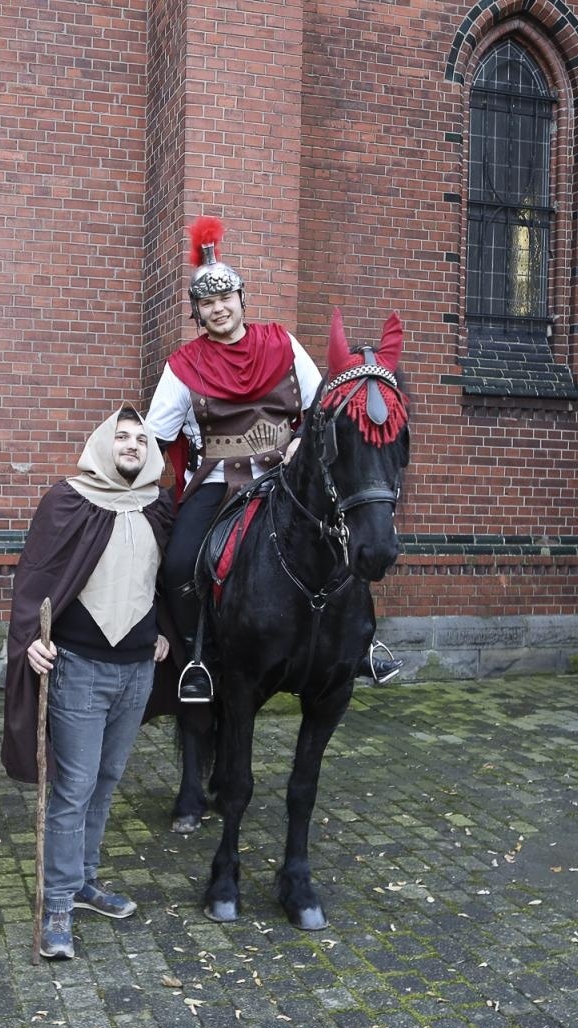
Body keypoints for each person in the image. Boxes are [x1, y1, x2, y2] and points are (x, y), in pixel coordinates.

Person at [145, 216, 403, 703]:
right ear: (197, 314)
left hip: (288, 479)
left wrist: (299, 441)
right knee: (180, 563)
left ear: (241, 300)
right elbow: (155, 436)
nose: (219, 309)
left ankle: (362, 643)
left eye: (225, 299)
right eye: (207, 303)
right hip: (219, 484)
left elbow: (321, 408)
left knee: (350, 539)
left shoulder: (282, 344)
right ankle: (197, 658)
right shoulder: (182, 367)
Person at [0, 407, 174, 960]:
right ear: (103, 444)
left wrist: (165, 630)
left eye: (140, 438)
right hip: (79, 668)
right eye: (121, 436)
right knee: (73, 788)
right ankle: (55, 906)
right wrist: (29, 636)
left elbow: (167, 576)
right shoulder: (69, 499)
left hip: (137, 670)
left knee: (106, 779)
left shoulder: (159, 505)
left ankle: (82, 884)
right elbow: (36, 574)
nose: (131, 444)